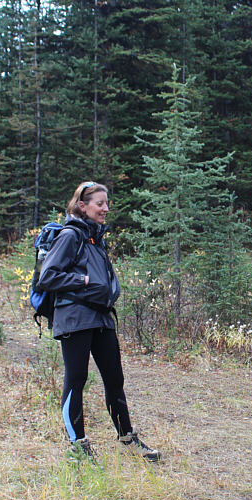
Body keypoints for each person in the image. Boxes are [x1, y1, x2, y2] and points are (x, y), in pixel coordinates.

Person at [38, 181, 160, 461]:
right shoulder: (71, 235)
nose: (106, 208)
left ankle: (127, 438)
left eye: (107, 203)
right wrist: (82, 280)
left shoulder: (96, 238)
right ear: (83, 206)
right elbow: (48, 276)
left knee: (115, 378)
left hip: (101, 318)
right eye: (100, 203)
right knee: (76, 380)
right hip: (74, 318)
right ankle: (78, 446)